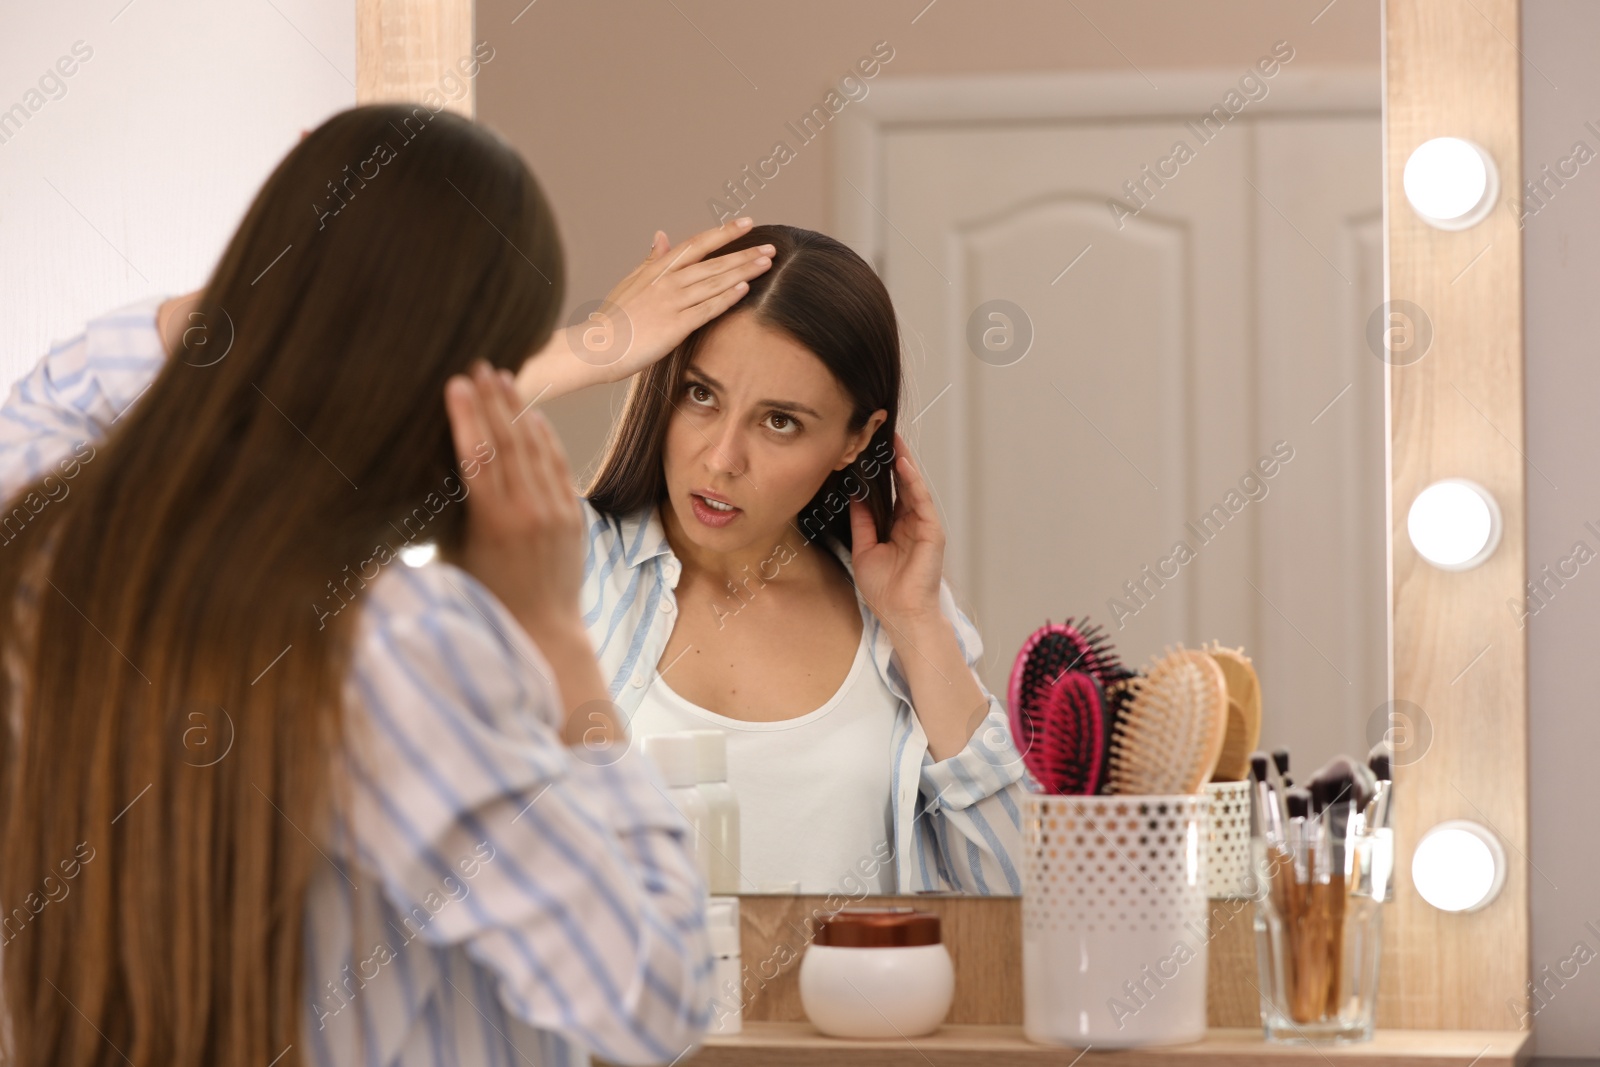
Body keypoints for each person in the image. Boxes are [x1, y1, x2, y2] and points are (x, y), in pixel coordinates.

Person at [0, 104, 770, 1067]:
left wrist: (305, 260)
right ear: (464, 383)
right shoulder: (402, 650)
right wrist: (556, 642)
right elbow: (654, 999)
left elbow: (61, 400)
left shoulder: (33, 558)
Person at [514, 225, 1027, 896]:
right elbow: (356, 472)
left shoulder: (901, 620)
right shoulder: (561, 568)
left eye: (779, 421)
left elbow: (1018, 892)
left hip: (857, 1004)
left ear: (856, 439)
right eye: (701, 394)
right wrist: (586, 349)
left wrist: (919, 624)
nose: (723, 458)